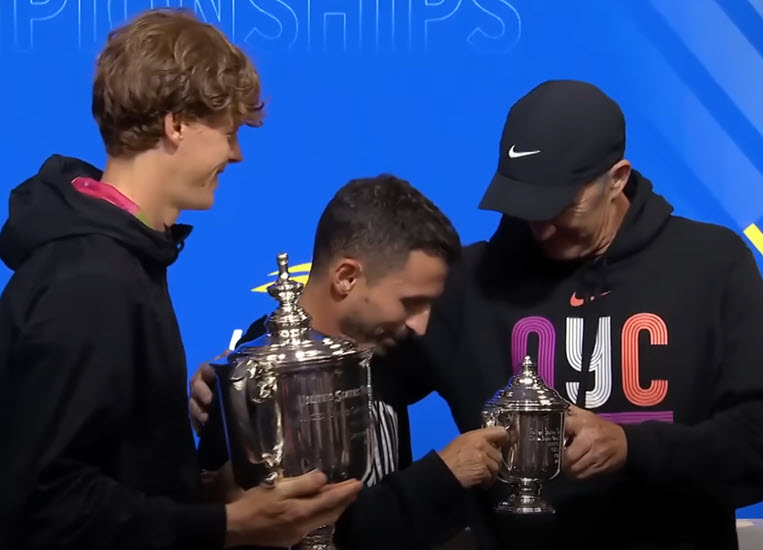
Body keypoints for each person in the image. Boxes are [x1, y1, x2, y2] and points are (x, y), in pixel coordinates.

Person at [0, 8, 362, 550]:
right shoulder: (89, 280)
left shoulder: (127, 258)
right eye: (229, 131)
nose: (237, 154)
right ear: (177, 123)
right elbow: (42, 505)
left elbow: (113, 475)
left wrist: (207, 492)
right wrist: (228, 526)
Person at [411, 79, 763, 549]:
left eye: (561, 204)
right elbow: (368, 385)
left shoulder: (713, 265)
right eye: (524, 202)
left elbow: (756, 438)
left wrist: (631, 449)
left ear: (617, 179)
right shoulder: (467, 281)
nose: (542, 226)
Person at [190, 175, 510, 550]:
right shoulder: (262, 377)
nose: (421, 326)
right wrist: (443, 474)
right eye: (410, 303)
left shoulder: (385, 346)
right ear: (346, 277)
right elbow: (304, 533)